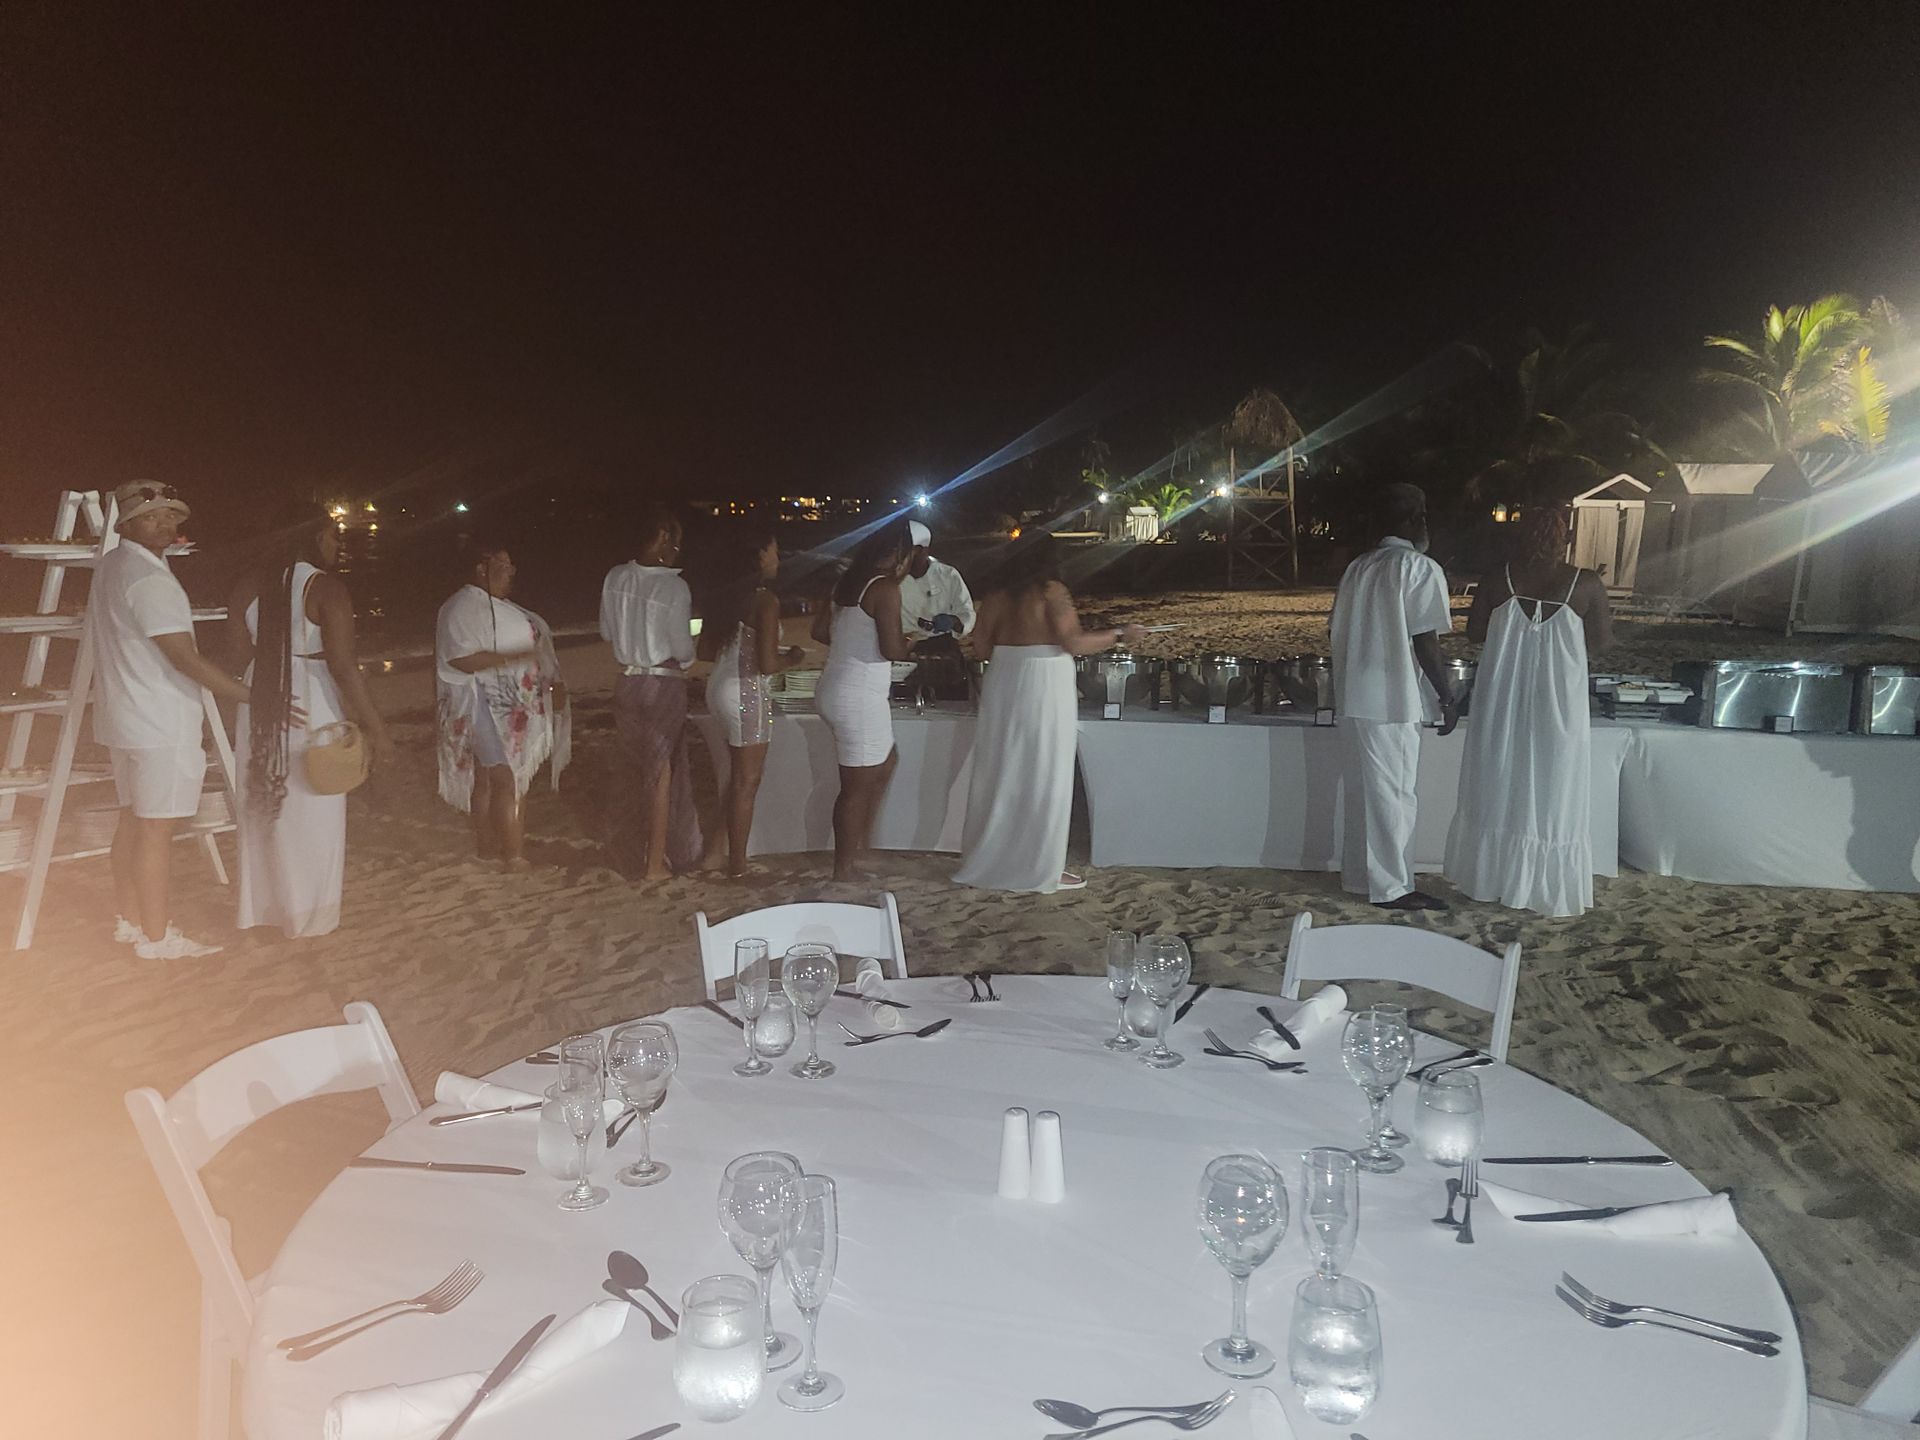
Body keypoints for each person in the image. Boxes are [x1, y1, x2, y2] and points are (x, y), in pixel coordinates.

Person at [91, 480, 259, 958]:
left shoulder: (112, 565)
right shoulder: (149, 579)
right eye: (151, 516)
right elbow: (184, 658)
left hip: (125, 717)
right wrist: (251, 696)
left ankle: (129, 921)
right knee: (156, 831)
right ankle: (156, 938)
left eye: (171, 515)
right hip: (159, 720)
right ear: (125, 524)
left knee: (132, 821)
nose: (165, 524)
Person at [226, 504, 392, 938]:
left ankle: (264, 909)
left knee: (265, 801)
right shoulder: (326, 589)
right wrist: (376, 727)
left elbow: (236, 654)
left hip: (261, 693)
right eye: (333, 536)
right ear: (314, 538)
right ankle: (308, 916)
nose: (337, 544)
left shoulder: (248, 586)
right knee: (315, 806)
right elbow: (344, 666)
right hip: (309, 695)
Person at [1446, 502, 1612, 917]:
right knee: (1555, 786)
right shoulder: (1586, 583)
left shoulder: (1496, 579)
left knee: (1499, 778)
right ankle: (1541, 884)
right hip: (1560, 701)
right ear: (1567, 538)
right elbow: (1600, 643)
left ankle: (1491, 878)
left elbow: (1475, 633)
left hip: (1502, 696)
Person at [955, 533, 1143, 893]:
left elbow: (981, 648)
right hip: (1043, 682)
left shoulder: (995, 596)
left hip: (1003, 681)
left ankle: (994, 860)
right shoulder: (1052, 592)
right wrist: (1120, 634)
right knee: (1044, 770)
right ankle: (1042, 867)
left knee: (1003, 770)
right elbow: (1073, 642)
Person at [1328, 482, 1458, 911]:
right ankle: (1392, 887)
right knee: (1395, 796)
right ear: (1415, 519)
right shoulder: (1418, 567)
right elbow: (1426, 640)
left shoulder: (1358, 566)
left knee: (1364, 793)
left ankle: (1359, 878)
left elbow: (1335, 630)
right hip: (1392, 697)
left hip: (1353, 693)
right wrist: (1446, 695)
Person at [434, 541, 570, 867]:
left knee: (486, 778)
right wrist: (513, 657)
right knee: (508, 779)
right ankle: (513, 855)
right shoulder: (462, 607)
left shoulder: (493, 606)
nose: (511, 572)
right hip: (481, 704)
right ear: (481, 569)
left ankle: (487, 849)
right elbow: (461, 659)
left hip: (494, 704)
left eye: (511, 566)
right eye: (503, 565)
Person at [600, 507, 705, 879]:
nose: (678, 549)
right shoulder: (674, 586)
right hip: (662, 683)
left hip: (626, 682)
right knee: (661, 773)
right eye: (675, 541)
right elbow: (682, 647)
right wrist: (690, 656)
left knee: (632, 770)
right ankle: (655, 861)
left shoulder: (615, 577)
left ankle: (629, 850)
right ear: (662, 537)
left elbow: (607, 632)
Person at [698, 529, 807, 876]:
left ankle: (714, 853)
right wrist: (793, 658)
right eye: (774, 551)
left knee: (736, 779)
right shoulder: (765, 601)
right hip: (746, 692)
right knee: (747, 782)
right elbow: (768, 664)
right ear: (759, 557)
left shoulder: (727, 597)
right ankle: (738, 866)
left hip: (718, 687)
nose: (778, 558)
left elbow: (704, 650)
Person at [811, 519, 915, 879]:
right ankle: (844, 867)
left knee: (885, 763)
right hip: (858, 696)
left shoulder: (848, 582)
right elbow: (892, 649)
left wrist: (854, 642)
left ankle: (860, 847)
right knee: (855, 787)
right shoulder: (885, 587)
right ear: (898, 553)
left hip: (835, 686)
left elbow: (819, 631)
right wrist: (910, 643)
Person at [896, 519, 976, 699]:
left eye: (908, 549)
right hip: (902, 649)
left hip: (941, 650)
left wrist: (953, 621)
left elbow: (967, 612)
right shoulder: (891, 578)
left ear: (923, 550)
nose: (901, 555)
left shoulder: (947, 574)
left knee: (948, 703)